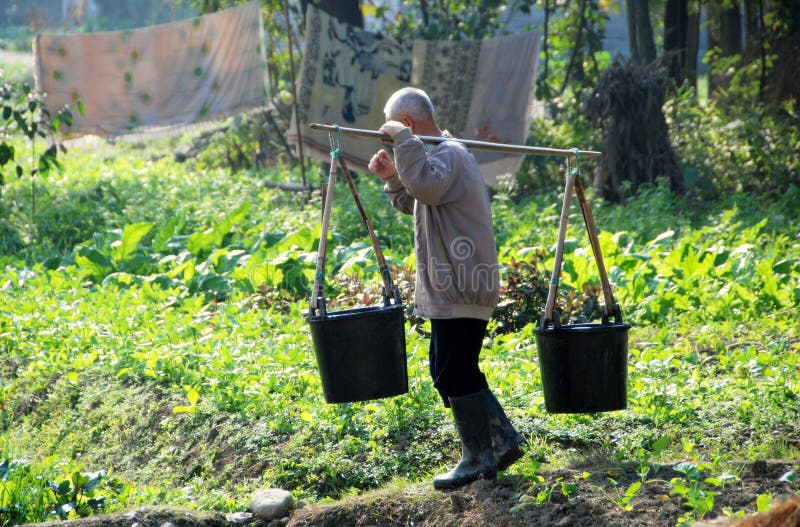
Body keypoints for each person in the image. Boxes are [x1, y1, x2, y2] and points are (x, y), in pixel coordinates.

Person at [367, 87, 526, 490]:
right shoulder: (437, 158)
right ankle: (500, 440)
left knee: (453, 369)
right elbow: (418, 201)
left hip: (462, 281)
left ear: (406, 124)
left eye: (393, 133)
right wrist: (392, 179)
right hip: (450, 284)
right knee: (447, 369)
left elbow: (427, 188)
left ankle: (479, 456)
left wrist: (403, 145)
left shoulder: (450, 155)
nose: (390, 141)